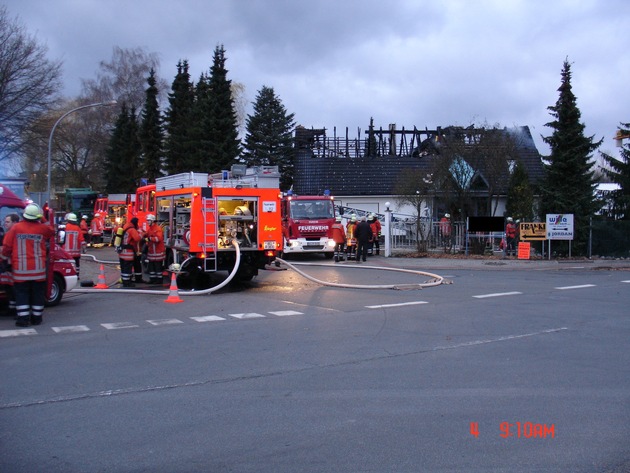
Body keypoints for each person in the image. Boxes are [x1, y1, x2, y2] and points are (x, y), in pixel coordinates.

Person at [2, 203, 55, 327]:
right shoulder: (42, 228)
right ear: (37, 216)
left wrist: (3, 260)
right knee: (37, 294)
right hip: (38, 270)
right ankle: (37, 318)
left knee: (21, 294)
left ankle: (23, 319)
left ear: (24, 215)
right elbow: (51, 231)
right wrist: (42, 217)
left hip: (21, 270)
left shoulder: (16, 228)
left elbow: (7, 247)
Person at [0, 213, 20, 316]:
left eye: (8, 222)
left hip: (13, 265)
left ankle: (16, 309)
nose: (5, 224)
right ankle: (12, 308)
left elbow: (7, 249)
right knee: (9, 288)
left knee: (15, 289)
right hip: (7, 266)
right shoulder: (8, 233)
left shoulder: (14, 234)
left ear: (15, 223)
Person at [119, 217, 142, 287]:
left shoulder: (124, 227)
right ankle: (127, 283)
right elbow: (137, 238)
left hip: (122, 252)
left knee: (123, 267)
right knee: (128, 267)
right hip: (128, 252)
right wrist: (142, 234)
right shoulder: (132, 230)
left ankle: (124, 280)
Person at [62, 213, 85, 279]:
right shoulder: (77, 228)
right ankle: (77, 275)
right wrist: (84, 248)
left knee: (67, 264)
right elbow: (81, 239)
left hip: (66, 251)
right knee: (76, 264)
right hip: (76, 252)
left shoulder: (65, 227)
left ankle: (67, 274)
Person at [144, 214, 165, 284]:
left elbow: (158, 239)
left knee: (158, 266)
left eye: (149, 221)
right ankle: (152, 279)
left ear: (152, 221)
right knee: (151, 266)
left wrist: (150, 238)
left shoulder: (157, 229)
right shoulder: (150, 229)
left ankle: (159, 280)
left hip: (158, 251)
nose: (147, 222)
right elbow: (146, 234)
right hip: (152, 251)